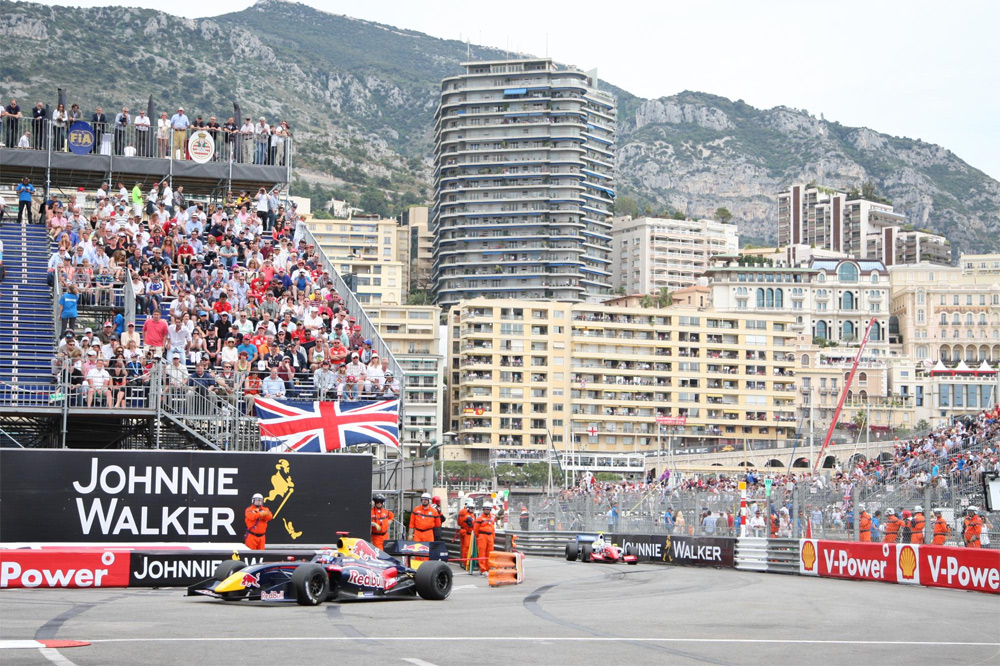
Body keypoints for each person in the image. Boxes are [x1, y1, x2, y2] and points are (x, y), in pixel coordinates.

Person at [473, 501, 496, 575]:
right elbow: (476, 529)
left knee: (489, 553)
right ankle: (483, 569)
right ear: (483, 509)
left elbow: (493, 528)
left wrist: (493, 536)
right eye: (485, 509)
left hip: (490, 536)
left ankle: (488, 568)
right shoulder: (479, 518)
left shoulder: (492, 518)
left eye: (488, 509)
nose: (486, 510)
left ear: (490, 510)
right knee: (482, 553)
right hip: (482, 536)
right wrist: (479, 537)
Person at [457, 498, 475, 564]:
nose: (472, 509)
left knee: (463, 548)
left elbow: (459, 522)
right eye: (471, 508)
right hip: (467, 532)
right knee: (466, 548)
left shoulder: (461, 511)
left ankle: (463, 562)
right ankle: (466, 563)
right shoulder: (467, 513)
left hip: (463, 530)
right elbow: (471, 524)